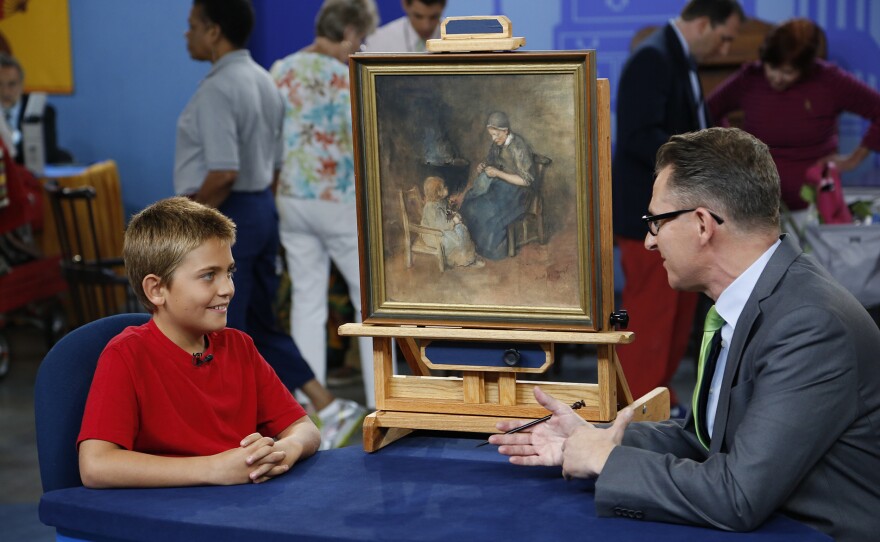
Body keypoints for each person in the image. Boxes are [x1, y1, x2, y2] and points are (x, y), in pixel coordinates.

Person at [491, 127, 880, 542]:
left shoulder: (809, 324)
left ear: (701, 225)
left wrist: (606, 459)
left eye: (656, 222)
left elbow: (737, 496)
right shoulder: (769, 296)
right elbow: (710, 442)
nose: (647, 242)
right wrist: (600, 437)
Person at [173, 0, 365, 449]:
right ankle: (326, 404)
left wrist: (185, 224)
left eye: (193, 27)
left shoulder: (221, 89)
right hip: (259, 209)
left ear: (214, 32)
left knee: (218, 330)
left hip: (223, 212)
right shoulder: (263, 79)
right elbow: (273, 162)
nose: (187, 35)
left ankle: (230, 432)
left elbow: (222, 171)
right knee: (259, 323)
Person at [77, 197, 321, 488]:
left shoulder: (240, 347)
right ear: (156, 289)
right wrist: (213, 469)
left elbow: (304, 429)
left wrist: (283, 451)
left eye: (229, 272)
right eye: (208, 276)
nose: (228, 289)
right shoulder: (126, 355)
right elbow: (95, 465)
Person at [612, 0, 744, 414]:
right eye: (724, 39)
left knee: (675, 316)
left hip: (677, 213)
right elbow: (639, 138)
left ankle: (659, 401)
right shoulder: (652, 57)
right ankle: (634, 409)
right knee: (651, 319)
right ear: (704, 24)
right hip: (651, 218)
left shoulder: (670, 55)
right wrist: (701, 169)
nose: (724, 51)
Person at [270, 0, 379, 408]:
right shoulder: (350, 74)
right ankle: (377, 402)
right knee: (368, 304)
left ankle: (306, 407)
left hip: (293, 197)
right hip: (340, 200)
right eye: (361, 36)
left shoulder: (281, 70)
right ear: (350, 32)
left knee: (307, 302)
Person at [708, 17, 880, 225]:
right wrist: (734, 151)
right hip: (758, 206)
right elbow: (710, 110)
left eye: (788, 72)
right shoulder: (750, 79)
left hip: (816, 209)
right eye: (771, 67)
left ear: (806, 68)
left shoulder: (830, 81)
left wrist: (853, 160)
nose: (777, 77)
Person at [453, 110, 535, 261]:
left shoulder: (518, 146)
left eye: (496, 134)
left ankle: (489, 250)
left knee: (488, 212)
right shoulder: (497, 144)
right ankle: (469, 245)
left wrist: (498, 173)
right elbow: (491, 162)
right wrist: (483, 166)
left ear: (505, 131)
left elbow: (526, 180)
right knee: (471, 203)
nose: (493, 138)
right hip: (498, 188)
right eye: (491, 135)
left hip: (517, 193)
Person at [0, 52, 73, 165]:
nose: (5, 91)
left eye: (12, 84)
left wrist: (13, 139)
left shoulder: (42, 111)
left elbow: (47, 154)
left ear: (21, 84)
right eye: (0, 84)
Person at [420, 176, 482, 268]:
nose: (446, 188)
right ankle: (461, 261)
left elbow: (446, 212)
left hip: (444, 229)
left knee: (462, 230)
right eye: (443, 188)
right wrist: (453, 222)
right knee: (456, 240)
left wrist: (453, 215)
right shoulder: (430, 208)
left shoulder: (441, 201)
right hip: (433, 234)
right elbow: (439, 225)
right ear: (437, 192)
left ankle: (468, 256)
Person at [362, 0, 444, 53]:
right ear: (405, 4)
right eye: (418, 16)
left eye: (434, 17)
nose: (425, 26)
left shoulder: (456, 38)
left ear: (443, 7)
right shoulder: (379, 40)